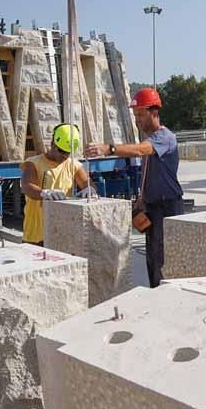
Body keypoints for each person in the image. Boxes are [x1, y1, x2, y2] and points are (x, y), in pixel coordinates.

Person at [85, 87, 182, 287]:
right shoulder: (150, 141)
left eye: (141, 114)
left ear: (154, 112)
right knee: (153, 259)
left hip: (168, 207)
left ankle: (167, 299)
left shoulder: (165, 137)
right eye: (135, 115)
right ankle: (156, 294)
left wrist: (109, 148)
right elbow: (148, 169)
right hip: (153, 206)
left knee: (165, 260)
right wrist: (142, 197)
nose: (137, 120)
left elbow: (139, 151)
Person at [21, 123, 96, 245]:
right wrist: (44, 193)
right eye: (61, 151)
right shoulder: (33, 163)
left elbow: (88, 184)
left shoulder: (73, 165)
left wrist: (90, 190)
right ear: (52, 144)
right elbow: (27, 187)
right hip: (35, 234)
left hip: (61, 233)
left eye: (68, 152)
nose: (65, 156)